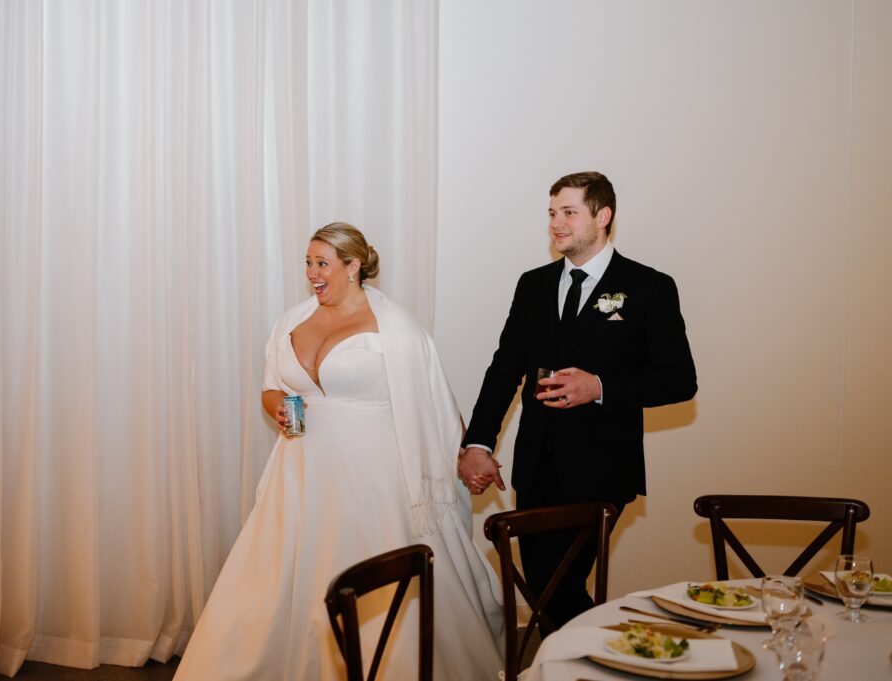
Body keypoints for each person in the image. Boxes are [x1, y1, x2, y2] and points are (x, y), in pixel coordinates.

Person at [175, 223, 504, 681]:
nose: (312, 273)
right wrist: (279, 412)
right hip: (301, 475)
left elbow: (434, 404)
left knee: (374, 586)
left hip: (373, 481)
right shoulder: (291, 320)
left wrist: (470, 454)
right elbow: (271, 389)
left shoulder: (398, 329)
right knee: (278, 585)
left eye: (322, 263)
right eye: (308, 262)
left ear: (353, 267)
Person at [457, 171, 697, 628]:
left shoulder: (649, 287)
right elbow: (505, 368)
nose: (556, 224)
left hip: (601, 472)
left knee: (556, 591)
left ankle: (625, 656)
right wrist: (479, 444)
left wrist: (600, 387)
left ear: (602, 216)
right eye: (552, 213)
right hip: (534, 470)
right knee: (550, 595)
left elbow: (680, 380)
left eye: (569, 212)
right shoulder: (534, 285)